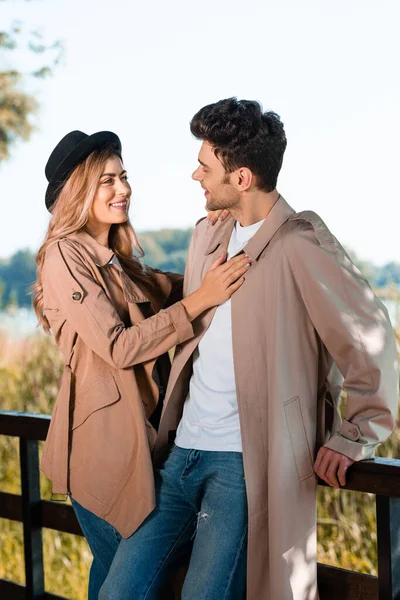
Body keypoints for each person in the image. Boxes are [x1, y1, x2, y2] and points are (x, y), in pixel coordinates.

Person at [99, 99, 399, 600]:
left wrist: (354, 435)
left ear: (240, 177)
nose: (196, 175)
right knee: (118, 592)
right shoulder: (207, 237)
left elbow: (373, 341)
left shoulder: (300, 244)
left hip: (241, 468)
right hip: (182, 456)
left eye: (205, 166)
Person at [33, 129, 250, 599]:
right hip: (102, 456)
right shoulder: (64, 255)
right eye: (106, 180)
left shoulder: (120, 261)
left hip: (140, 447)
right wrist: (201, 300)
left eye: (124, 176)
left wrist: (216, 228)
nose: (123, 189)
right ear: (77, 191)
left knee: (119, 582)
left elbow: (183, 287)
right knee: (135, 584)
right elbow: (119, 347)